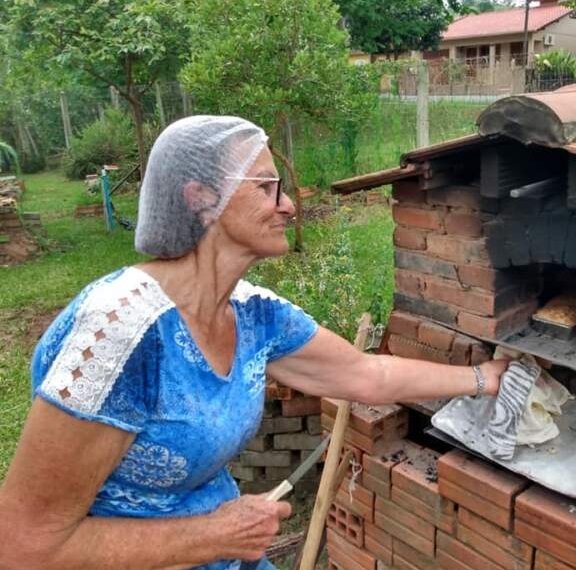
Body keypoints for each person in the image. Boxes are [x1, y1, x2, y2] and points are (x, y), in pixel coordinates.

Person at [0, 116, 509, 570]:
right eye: (267, 187)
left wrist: (485, 379)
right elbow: (23, 547)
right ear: (201, 199)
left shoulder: (253, 314)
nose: (288, 205)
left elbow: (366, 374)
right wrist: (213, 534)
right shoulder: (122, 334)